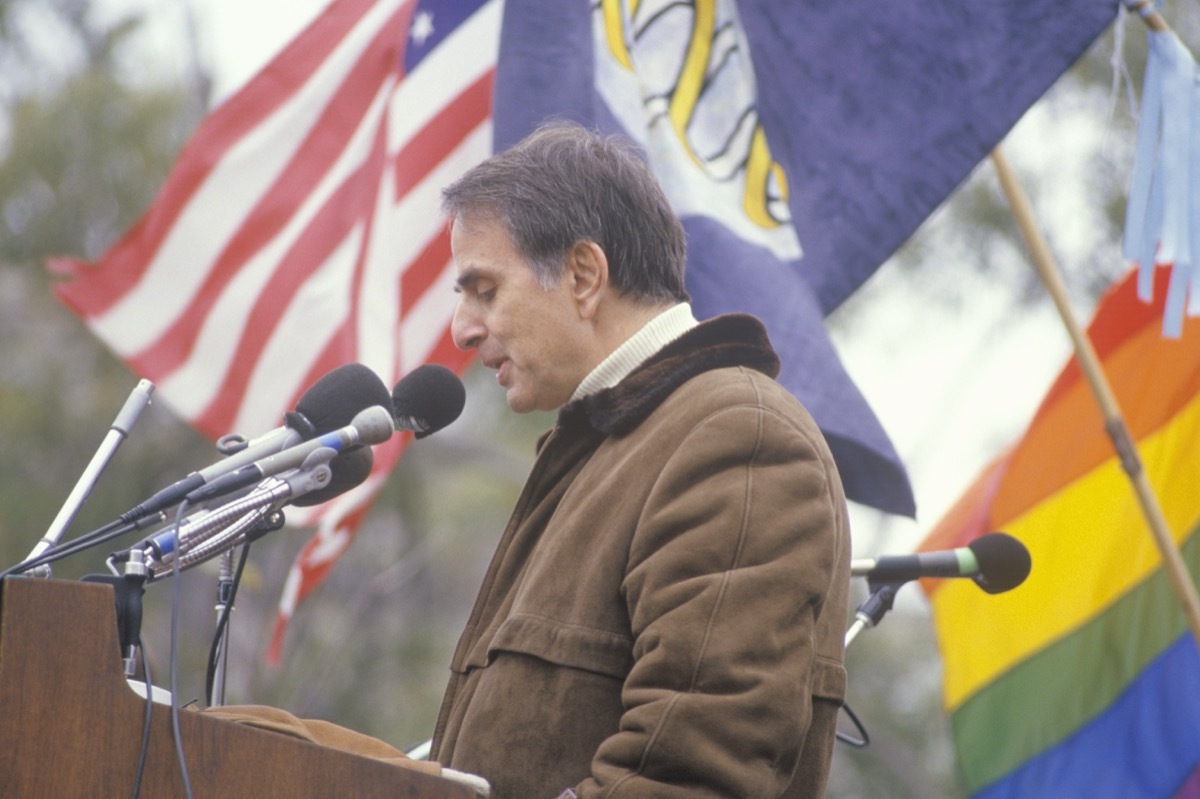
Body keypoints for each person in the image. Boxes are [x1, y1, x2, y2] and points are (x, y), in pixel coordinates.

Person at [429, 121, 851, 799]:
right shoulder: (606, 449)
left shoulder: (738, 437)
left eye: (485, 290)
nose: (462, 329)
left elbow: (693, 773)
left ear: (583, 275)